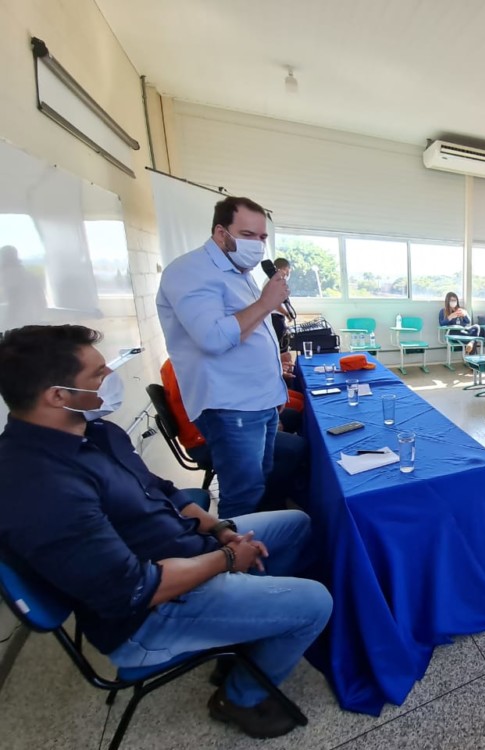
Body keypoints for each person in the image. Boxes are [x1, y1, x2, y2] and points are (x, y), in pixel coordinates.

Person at [0, 325, 332, 739]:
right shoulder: (41, 486)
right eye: (98, 375)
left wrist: (220, 529)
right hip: (151, 614)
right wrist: (227, 559)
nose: (111, 380)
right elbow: (135, 590)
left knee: (297, 524)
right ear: (57, 396)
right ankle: (240, 697)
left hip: (188, 551)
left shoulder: (95, 431)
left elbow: (164, 490)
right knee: (317, 602)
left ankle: (250, 628)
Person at [156, 196, 288, 518]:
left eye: (262, 237)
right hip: (231, 406)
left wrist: (274, 389)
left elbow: (251, 330)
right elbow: (213, 338)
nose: (257, 245)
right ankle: (237, 559)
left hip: (258, 400)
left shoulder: (240, 272)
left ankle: (266, 542)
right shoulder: (190, 271)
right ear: (220, 233)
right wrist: (266, 302)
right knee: (244, 492)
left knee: (261, 480)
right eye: (247, 235)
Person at [160, 359, 308, 512]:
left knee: (292, 415)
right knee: (294, 447)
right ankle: (267, 502)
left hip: (215, 428)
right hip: (205, 439)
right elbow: (222, 412)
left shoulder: (185, 358)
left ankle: (284, 485)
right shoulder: (191, 366)